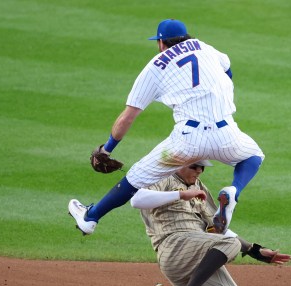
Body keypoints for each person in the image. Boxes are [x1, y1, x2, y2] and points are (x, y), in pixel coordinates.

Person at [69, 18, 264, 236]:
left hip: (188, 139)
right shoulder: (204, 46)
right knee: (254, 155)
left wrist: (107, 149)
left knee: (134, 178)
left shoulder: (155, 66)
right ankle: (234, 191)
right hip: (227, 132)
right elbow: (227, 71)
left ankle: (91, 217)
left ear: (161, 43)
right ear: (185, 37)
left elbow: (128, 117)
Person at [121, 160, 291, 286]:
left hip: (199, 250)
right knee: (230, 244)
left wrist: (254, 250)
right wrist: (181, 194)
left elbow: (216, 227)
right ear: (178, 165)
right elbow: (137, 200)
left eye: (202, 167)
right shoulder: (162, 178)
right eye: (194, 166)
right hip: (173, 246)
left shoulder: (199, 187)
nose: (199, 170)